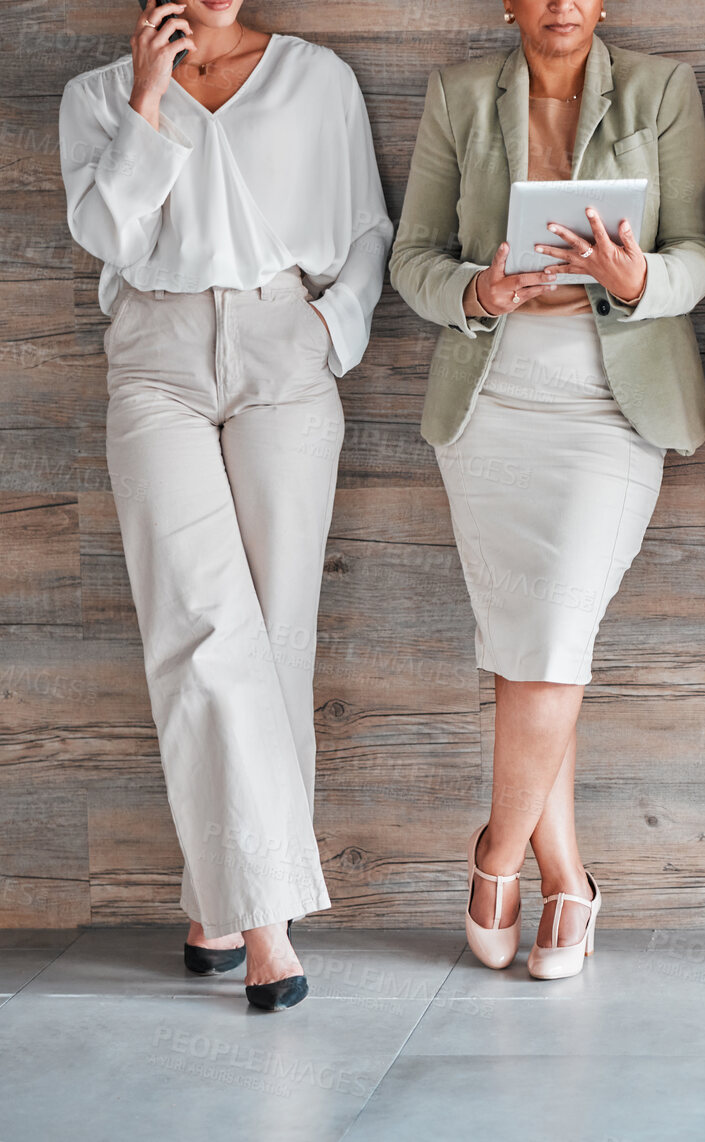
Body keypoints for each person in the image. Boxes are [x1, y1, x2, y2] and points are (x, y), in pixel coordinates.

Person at [59, 0, 390, 1010]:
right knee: (200, 629)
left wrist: (328, 333)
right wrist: (147, 103)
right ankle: (266, 926)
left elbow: (365, 228)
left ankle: (217, 894)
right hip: (155, 360)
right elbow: (105, 234)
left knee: (276, 637)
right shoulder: (94, 97)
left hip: (282, 349)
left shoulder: (315, 79)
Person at [390, 0, 705, 980]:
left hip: (610, 417)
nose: (563, 4)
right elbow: (412, 257)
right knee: (540, 647)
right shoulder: (459, 96)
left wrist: (636, 278)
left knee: (552, 631)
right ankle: (566, 878)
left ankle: (497, 853)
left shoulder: (659, 91)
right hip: (491, 408)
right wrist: (477, 294)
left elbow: (704, 256)